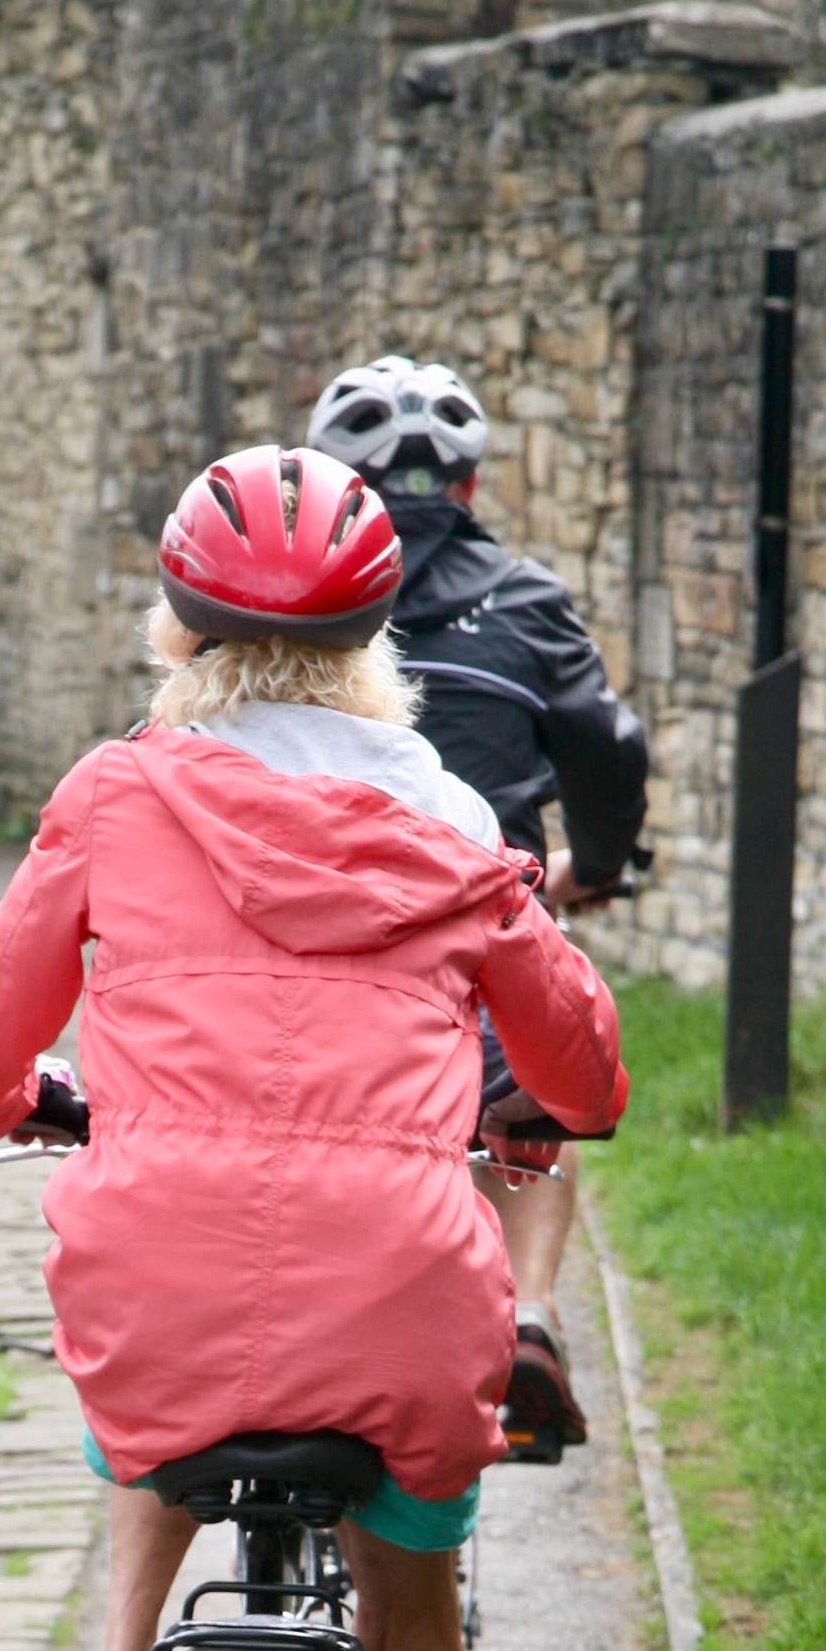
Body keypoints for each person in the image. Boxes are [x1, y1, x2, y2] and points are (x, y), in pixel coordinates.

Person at [0, 445, 626, 1651]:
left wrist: (22, 1102)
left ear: (176, 632)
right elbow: (581, 1072)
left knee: (146, 1371)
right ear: (380, 637)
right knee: (407, 1640)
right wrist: (531, 1105)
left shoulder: (113, 792)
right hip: (400, 1287)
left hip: (157, 1268)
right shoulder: (450, 822)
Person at [306, 355, 651, 1455]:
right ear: (466, 483)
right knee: (527, 1116)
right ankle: (531, 1316)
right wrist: (595, 861)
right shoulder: (524, 597)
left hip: (315, 918)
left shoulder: (288, 600)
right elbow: (603, 744)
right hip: (483, 917)